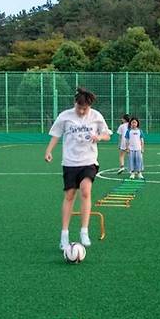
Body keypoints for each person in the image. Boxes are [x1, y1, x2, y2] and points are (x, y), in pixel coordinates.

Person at [45, 87, 111, 250]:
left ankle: (84, 230)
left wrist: (100, 137)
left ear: (89, 106)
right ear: (75, 103)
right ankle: (64, 234)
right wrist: (49, 151)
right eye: (79, 108)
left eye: (85, 108)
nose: (82, 111)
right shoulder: (65, 116)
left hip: (89, 161)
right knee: (69, 195)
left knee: (86, 191)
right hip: (70, 162)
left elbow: (107, 134)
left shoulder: (96, 116)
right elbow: (56, 135)